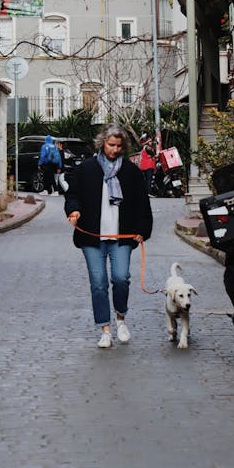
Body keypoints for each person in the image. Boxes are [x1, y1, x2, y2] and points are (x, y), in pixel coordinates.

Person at [65, 124, 153, 348]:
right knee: (98, 283)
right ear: (102, 144)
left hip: (123, 235)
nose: (114, 149)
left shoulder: (131, 172)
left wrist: (143, 230)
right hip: (92, 236)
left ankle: (121, 318)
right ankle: (105, 329)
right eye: (110, 145)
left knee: (121, 278)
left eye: (118, 146)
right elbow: (72, 194)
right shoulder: (87, 169)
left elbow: (143, 202)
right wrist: (73, 210)